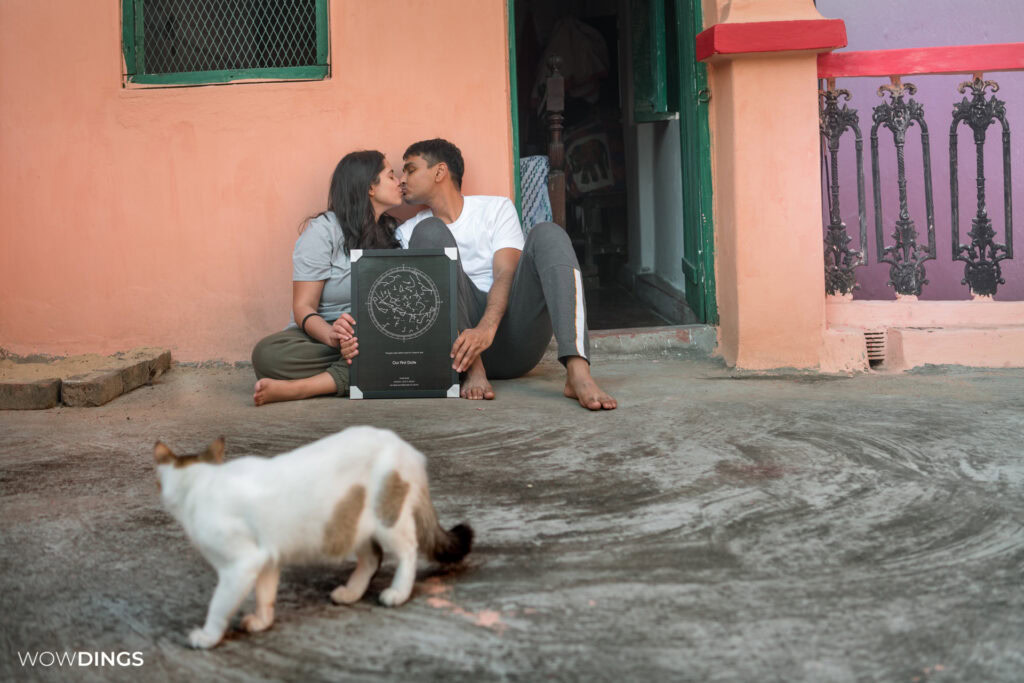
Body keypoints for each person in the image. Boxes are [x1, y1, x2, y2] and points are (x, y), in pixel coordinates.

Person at [346, 138, 616, 411]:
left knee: (549, 233)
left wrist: (486, 328)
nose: (402, 180)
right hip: (456, 351)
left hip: (515, 335)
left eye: (410, 170)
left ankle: (578, 372)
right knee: (429, 231)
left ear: (439, 172)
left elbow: (505, 271)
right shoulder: (408, 232)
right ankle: (474, 368)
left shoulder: (495, 208)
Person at [250, 150, 402, 406]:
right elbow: (303, 307)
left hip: (374, 334)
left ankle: (305, 387)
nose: (399, 181)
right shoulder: (323, 231)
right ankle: (359, 371)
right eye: (391, 175)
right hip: (323, 339)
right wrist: (332, 335)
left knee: (397, 348)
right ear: (370, 188)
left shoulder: (393, 232)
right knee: (266, 354)